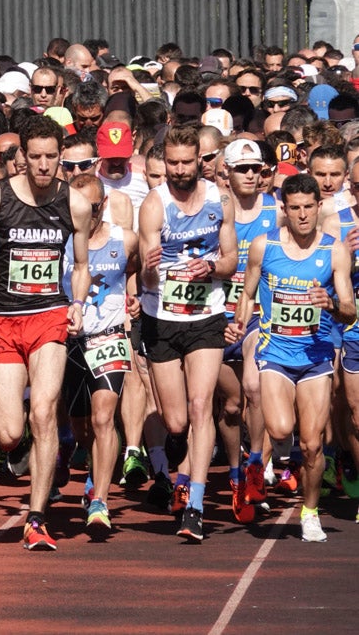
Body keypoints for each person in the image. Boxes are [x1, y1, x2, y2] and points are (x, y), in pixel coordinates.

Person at [0, 115, 91, 551]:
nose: (42, 165)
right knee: (8, 433)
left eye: (51, 157)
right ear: (22, 158)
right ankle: (23, 455)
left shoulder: (74, 203)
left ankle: (37, 517)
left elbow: (80, 265)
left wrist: (77, 304)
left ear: (60, 157)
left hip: (49, 317)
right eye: (34, 157)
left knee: (43, 411)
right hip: (3, 319)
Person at [233, 173, 355, 542]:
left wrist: (331, 304)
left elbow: (349, 310)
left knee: (313, 443)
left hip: (316, 356)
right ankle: (276, 458)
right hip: (276, 353)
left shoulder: (334, 250)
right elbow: (247, 293)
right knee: (281, 429)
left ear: (319, 207)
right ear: (283, 210)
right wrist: (239, 324)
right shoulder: (263, 246)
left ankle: (310, 511)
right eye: (295, 208)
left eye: (309, 208)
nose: (303, 215)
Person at [138, 124, 237, 542]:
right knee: (177, 420)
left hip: (206, 316)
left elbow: (231, 259)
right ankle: (174, 444)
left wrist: (211, 268)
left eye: (186, 163)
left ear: (201, 160)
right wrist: (150, 267)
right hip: (161, 317)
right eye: (172, 164)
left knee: (201, 406)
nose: (179, 171)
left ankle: (194, 506)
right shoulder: (154, 205)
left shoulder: (220, 201)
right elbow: (143, 270)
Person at [62, 174, 138, 533]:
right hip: (68, 343)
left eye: (90, 209)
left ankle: (100, 501)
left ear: (103, 206)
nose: (83, 216)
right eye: (76, 208)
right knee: (81, 426)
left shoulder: (125, 240)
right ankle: (85, 460)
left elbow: (141, 269)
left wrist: (135, 296)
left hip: (108, 338)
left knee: (103, 418)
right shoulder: (60, 241)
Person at [218, 139, 276, 521]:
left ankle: (256, 464)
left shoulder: (277, 210)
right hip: (218, 316)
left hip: (260, 314)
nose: (251, 175)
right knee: (231, 404)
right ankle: (236, 476)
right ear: (226, 173)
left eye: (256, 168)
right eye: (242, 169)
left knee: (256, 389)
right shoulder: (212, 210)